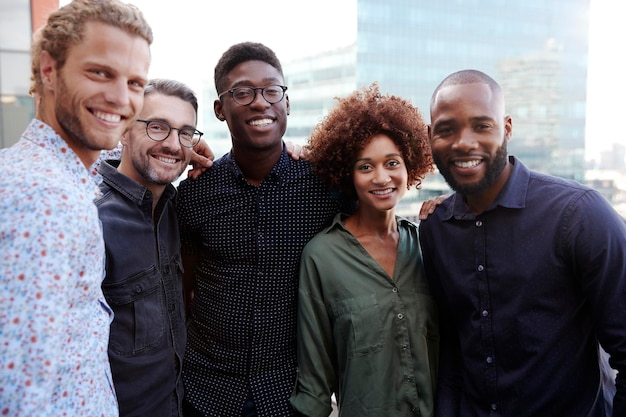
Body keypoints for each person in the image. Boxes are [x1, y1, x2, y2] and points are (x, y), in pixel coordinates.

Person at [418, 69, 626, 417]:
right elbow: (453, 344)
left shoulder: (580, 215)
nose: (464, 143)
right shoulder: (435, 227)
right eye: (446, 129)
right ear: (429, 136)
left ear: (507, 128)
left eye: (482, 126)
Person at [176, 41, 350, 416]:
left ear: (287, 102)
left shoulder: (326, 186)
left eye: (272, 90)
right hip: (206, 392)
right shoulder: (194, 195)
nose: (260, 102)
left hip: (290, 393)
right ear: (220, 109)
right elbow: (182, 292)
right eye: (243, 92)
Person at [0, 0, 152, 415]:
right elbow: (17, 396)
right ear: (49, 71)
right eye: (100, 73)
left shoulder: (35, 170)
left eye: (136, 83)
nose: (121, 98)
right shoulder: (44, 198)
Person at [289, 84, 438, 417]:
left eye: (392, 163)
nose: (381, 177)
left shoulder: (429, 245)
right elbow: (314, 384)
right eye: (366, 166)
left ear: (409, 166)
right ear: (348, 174)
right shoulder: (322, 257)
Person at [95, 79, 201, 417]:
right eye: (158, 127)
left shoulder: (175, 206)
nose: (173, 144)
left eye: (186, 133)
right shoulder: (92, 220)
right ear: (125, 131)